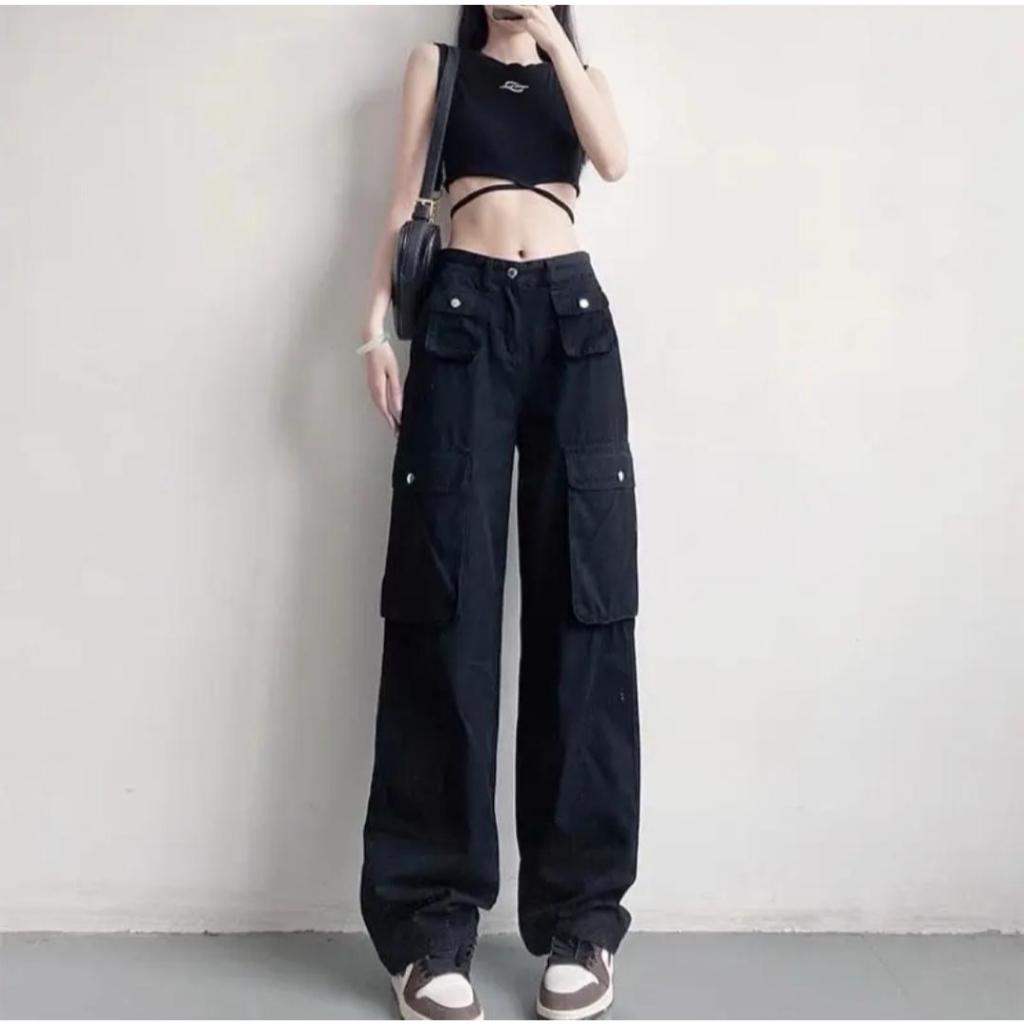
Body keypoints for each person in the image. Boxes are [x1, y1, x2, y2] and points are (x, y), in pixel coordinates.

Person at [356, 6, 639, 1019]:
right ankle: (431, 926)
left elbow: (613, 161)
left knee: (586, 609)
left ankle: (582, 921)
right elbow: (402, 203)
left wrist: (557, 40)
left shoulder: (580, 73)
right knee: (443, 608)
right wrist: (374, 328)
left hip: (572, 323)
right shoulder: (435, 67)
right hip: (462, 317)